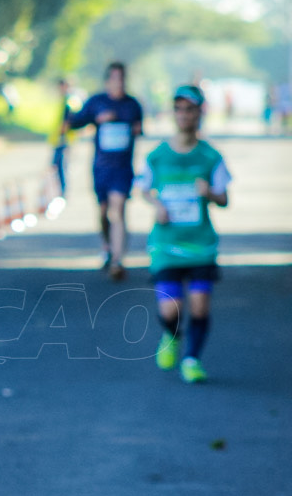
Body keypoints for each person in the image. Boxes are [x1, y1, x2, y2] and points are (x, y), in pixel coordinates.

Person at [137, 85, 230, 384]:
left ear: (199, 114)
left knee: (200, 304)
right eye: (179, 109)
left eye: (190, 109)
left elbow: (224, 198)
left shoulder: (210, 156)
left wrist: (211, 193)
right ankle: (170, 336)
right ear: (173, 114)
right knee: (170, 309)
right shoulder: (158, 155)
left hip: (201, 245)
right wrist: (156, 204)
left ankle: (192, 359)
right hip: (166, 245)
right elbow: (143, 188)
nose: (184, 115)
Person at [66, 62, 143, 280]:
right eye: (115, 79)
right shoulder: (97, 102)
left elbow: (139, 129)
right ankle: (108, 248)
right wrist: (98, 119)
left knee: (118, 210)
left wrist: (134, 129)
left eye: (122, 79)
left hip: (123, 168)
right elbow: (73, 122)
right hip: (101, 167)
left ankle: (118, 260)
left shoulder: (133, 105)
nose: (119, 83)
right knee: (103, 212)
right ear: (108, 81)